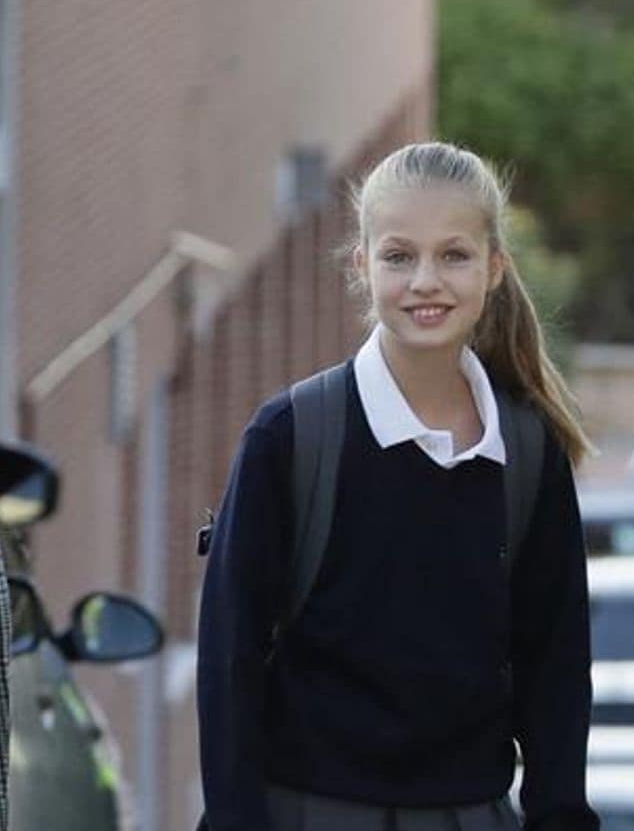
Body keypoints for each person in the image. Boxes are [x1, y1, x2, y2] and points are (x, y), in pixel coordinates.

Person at [197, 141, 598, 831]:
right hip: (310, 813)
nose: (425, 281)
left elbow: (556, 665)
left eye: (454, 255)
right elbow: (228, 656)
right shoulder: (289, 438)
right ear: (362, 265)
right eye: (399, 256)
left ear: (495, 269)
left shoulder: (528, 452)